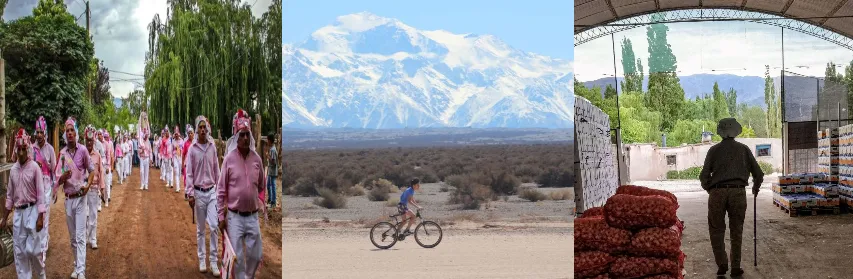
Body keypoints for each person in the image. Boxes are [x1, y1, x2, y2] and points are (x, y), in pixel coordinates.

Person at [700, 118, 764, 278]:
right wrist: (756, 187)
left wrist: (711, 189)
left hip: (717, 192)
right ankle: (735, 266)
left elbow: (704, 176)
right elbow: (759, 174)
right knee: (737, 230)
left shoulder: (713, 150)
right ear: (736, 131)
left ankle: (722, 263)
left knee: (716, 229)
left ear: (720, 132)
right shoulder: (744, 149)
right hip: (738, 192)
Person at [217, 109, 264, 279]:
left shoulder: (257, 159)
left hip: (252, 217)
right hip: (234, 217)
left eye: (247, 135)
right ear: (236, 137)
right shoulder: (229, 159)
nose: (245, 138)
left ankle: (248, 277)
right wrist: (221, 217)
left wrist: (253, 199)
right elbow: (221, 191)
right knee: (237, 258)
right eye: (242, 135)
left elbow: (261, 186)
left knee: (256, 255)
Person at [2, 129, 47, 279]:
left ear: (27, 149)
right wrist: (4, 219)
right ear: (16, 149)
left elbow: (41, 195)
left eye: (23, 149)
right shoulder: (13, 170)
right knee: (20, 252)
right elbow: (9, 197)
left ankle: (41, 275)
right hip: (18, 214)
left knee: (34, 251)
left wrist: (41, 216)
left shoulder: (34, 167)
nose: (21, 153)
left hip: (33, 211)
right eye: (18, 149)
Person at [55, 117, 95, 279]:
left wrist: (88, 185)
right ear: (65, 134)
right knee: (72, 238)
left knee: (79, 236)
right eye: (67, 130)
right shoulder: (63, 154)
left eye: (72, 130)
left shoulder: (83, 150)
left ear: (76, 133)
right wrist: (63, 177)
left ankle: (81, 271)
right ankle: (77, 265)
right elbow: (57, 179)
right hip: (68, 198)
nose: (70, 133)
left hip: (80, 197)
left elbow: (91, 170)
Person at [186, 116, 221, 276]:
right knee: (201, 230)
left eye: (204, 127)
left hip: (212, 192)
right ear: (196, 129)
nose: (202, 130)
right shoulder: (192, 150)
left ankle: (214, 261)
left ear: (207, 129)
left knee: (214, 226)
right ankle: (202, 259)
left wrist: (221, 192)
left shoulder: (212, 147)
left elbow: (216, 170)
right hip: (199, 193)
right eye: (199, 128)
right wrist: (190, 194)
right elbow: (189, 173)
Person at [33, 116, 56, 258]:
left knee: (44, 216)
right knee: (36, 216)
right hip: (34, 188)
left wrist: (54, 189)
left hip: (46, 186)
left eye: (42, 132)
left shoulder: (50, 150)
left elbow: (54, 170)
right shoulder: (31, 149)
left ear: (45, 133)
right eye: (37, 132)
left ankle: (42, 249)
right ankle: (42, 239)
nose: (39, 135)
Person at [83, 126, 105, 250]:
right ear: (85, 140)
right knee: (84, 215)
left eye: (91, 141)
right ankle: (85, 237)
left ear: (94, 141)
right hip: (83, 189)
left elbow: (101, 172)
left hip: (93, 189)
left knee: (93, 215)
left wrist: (102, 188)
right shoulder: (81, 154)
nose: (89, 143)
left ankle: (93, 239)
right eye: (87, 141)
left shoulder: (97, 156)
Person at [138, 113, 152, 190]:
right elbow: (138, 150)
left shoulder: (149, 142)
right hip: (142, 158)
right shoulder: (140, 141)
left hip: (146, 158)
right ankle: (142, 184)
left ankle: (146, 184)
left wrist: (151, 159)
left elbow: (150, 151)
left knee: (146, 172)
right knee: (141, 172)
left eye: (147, 135)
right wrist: (141, 150)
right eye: (145, 135)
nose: (146, 136)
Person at [102, 130, 115, 207]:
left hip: (108, 166)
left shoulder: (111, 144)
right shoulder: (101, 144)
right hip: (102, 166)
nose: (106, 138)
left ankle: (108, 197)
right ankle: (103, 197)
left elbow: (111, 155)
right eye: (105, 137)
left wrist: (112, 165)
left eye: (107, 137)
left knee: (108, 182)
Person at [182, 124, 195, 193]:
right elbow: (183, 154)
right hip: (187, 163)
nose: (190, 134)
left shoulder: (196, 143)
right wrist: (182, 164)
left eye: (191, 133)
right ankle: (186, 191)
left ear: (194, 134)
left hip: (194, 163)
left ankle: (192, 192)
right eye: (189, 133)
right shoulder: (186, 143)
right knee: (187, 177)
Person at [266, 135, 278, 208]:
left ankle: (273, 202)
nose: (267, 141)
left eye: (267, 140)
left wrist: (268, 156)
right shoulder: (272, 149)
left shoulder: (273, 150)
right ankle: (270, 199)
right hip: (271, 170)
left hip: (272, 171)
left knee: (272, 186)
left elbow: (273, 162)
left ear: (270, 140)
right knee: (268, 185)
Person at [173, 126, 184, 192]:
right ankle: (177, 187)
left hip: (180, 156)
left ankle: (179, 185)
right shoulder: (173, 141)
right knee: (176, 171)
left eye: (177, 134)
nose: (176, 135)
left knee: (179, 172)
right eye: (175, 134)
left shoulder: (182, 141)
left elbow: (183, 149)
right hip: (175, 157)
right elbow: (171, 150)